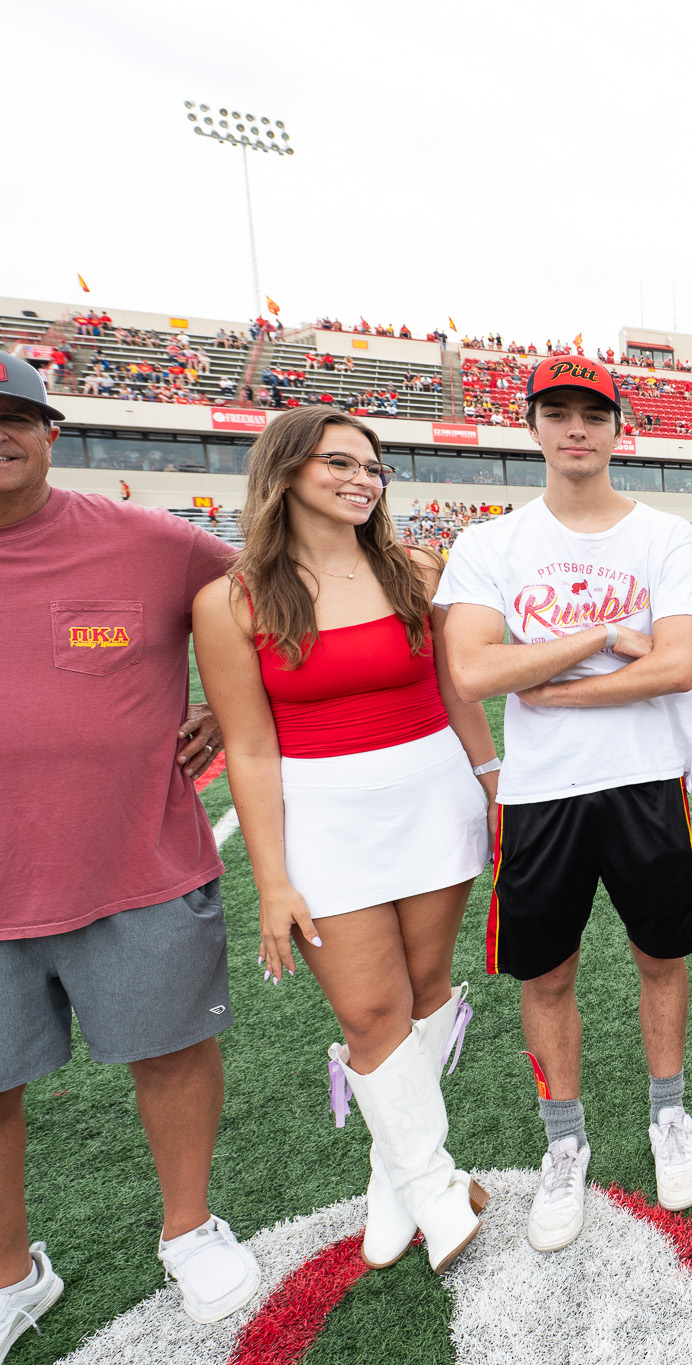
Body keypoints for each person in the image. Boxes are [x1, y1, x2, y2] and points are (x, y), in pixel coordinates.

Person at [192, 406, 497, 1273]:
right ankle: (434, 1183)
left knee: (425, 993)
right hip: (323, 818)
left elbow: (458, 692)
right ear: (286, 470)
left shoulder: (416, 569)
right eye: (340, 463)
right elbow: (250, 748)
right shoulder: (230, 601)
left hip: (434, 800)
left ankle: (391, 1177)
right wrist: (273, 881)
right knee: (368, 1011)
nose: (363, 479)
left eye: (373, 467)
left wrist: (492, 784)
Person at [0, 353, 261, 1334]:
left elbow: (274, 595)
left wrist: (232, 704)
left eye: (13, 415)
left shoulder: (149, 542)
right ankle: (11, 1275)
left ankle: (189, 1228)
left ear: (49, 433)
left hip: (135, 863)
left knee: (172, 1053)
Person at [437, 356, 692, 1251]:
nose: (575, 428)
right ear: (533, 426)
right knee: (547, 975)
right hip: (542, 792)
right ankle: (566, 1140)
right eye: (556, 412)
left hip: (646, 780)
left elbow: (676, 665)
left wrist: (547, 679)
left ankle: (668, 1113)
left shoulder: (664, 538)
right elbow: (472, 669)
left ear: (616, 428)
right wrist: (601, 636)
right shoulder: (490, 543)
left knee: (660, 957)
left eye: (592, 413)